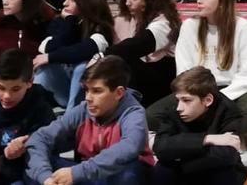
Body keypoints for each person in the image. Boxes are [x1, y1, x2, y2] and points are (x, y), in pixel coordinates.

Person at [25, 55, 155, 184]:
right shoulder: (83, 110)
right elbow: (40, 138)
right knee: (33, 163)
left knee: (129, 175)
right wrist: (46, 178)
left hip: (114, 176)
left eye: (97, 91)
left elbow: (129, 148)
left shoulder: (133, 113)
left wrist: (77, 172)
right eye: (86, 90)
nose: (88, 97)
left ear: (119, 93)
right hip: (86, 175)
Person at [164, 0, 247, 137]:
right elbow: (184, 70)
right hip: (196, 89)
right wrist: (198, 96)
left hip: (231, 89)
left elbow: (246, 74)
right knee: (151, 117)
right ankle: (211, 137)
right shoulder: (190, 26)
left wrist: (219, 98)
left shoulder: (241, 26)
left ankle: (206, 136)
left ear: (223, 0)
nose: (199, 0)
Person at [0, 49, 57, 185]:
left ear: (29, 82)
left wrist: (26, 147)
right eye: (1, 88)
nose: (6, 96)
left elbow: (50, 149)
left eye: (15, 89)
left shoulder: (41, 110)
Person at [152, 67, 247, 185]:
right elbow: (161, 147)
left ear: (207, 100)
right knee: (162, 170)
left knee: (225, 171)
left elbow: (227, 154)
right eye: (178, 100)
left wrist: (179, 156)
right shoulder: (173, 107)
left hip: (211, 169)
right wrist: (207, 139)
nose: (179, 108)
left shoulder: (229, 110)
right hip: (184, 170)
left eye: (187, 100)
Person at [33, 0, 115, 109]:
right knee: (45, 67)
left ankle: (72, 119)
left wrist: (50, 57)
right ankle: (34, 113)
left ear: (86, 2)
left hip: (88, 91)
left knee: (81, 66)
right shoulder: (64, 21)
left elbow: (87, 49)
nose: (65, 3)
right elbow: (47, 47)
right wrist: (70, 22)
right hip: (63, 87)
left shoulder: (101, 27)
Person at [108, 0, 182, 107]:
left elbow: (138, 45)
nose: (127, 3)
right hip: (136, 78)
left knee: (124, 59)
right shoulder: (123, 19)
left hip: (160, 81)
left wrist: (101, 55)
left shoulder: (164, 22)